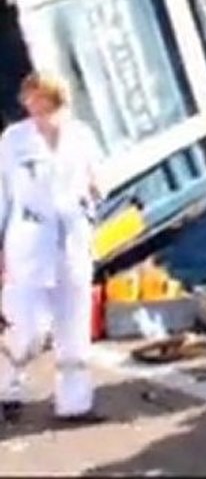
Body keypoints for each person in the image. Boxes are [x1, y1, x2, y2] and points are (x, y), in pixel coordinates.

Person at [0, 72, 104, 423]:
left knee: (74, 325)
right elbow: (2, 197)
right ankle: (7, 385)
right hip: (28, 241)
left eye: (39, 99)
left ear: (55, 99)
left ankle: (75, 403)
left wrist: (93, 197)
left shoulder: (81, 135)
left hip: (72, 240)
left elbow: (96, 178)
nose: (33, 107)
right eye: (29, 100)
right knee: (28, 327)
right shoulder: (13, 140)